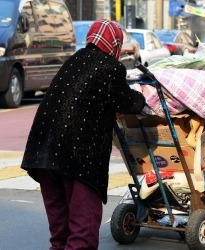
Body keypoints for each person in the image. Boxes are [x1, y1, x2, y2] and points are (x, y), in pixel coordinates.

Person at [21, 19, 145, 249]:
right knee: (83, 234)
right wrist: (141, 96)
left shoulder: (73, 61)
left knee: (60, 234)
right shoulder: (109, 67)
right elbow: (129, 102)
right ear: (114, 44)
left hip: (43, 156)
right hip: (77, 159)